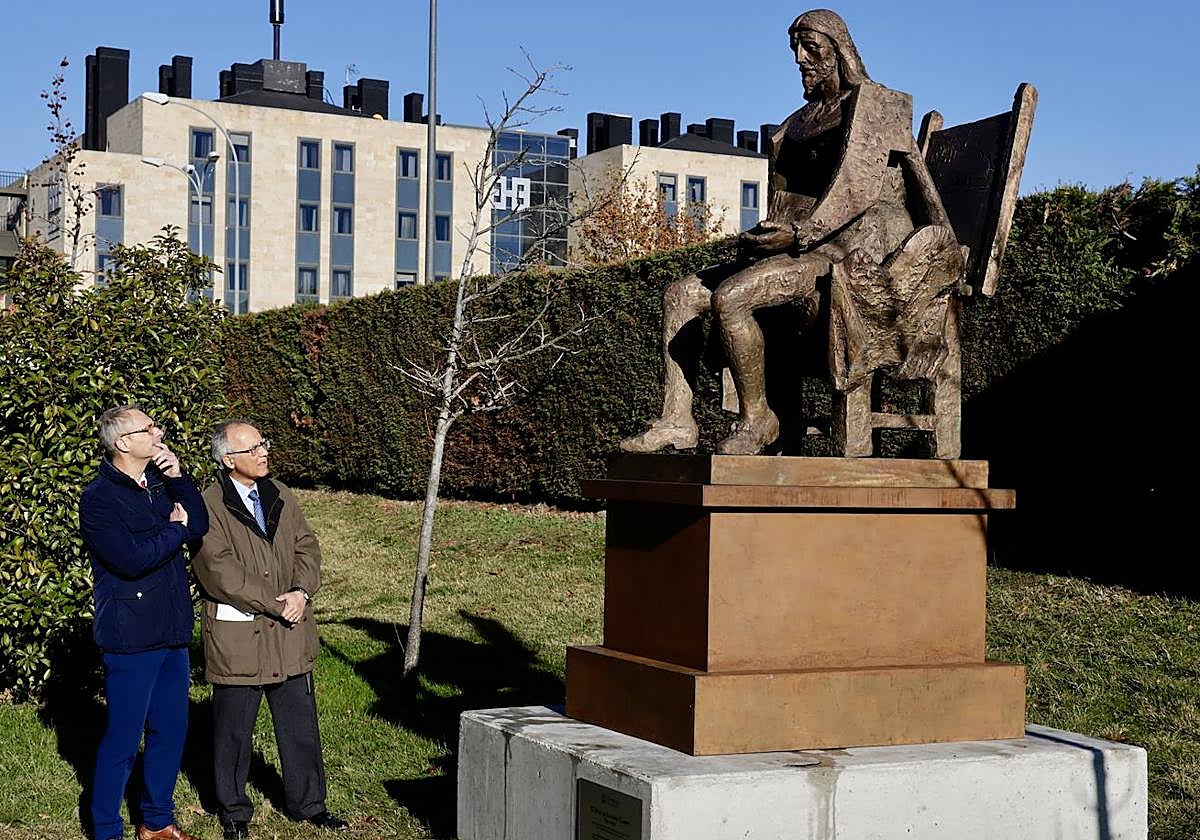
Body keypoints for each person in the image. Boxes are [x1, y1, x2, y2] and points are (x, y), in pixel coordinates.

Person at [621, 8, 956, 456]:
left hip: (855, 258)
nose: (800, 58)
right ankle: (677, 420)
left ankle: (758, 419)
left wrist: (797, 235)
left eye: (810, 48)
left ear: (840, 52)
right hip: (807, 246)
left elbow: (853, 190)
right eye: (795, 49)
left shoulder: (878, 103)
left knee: (733, 297)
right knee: (680, 295)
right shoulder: (800, 120)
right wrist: (765, 237)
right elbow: (786, 196)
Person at [191, 419, 348, 839]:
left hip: (290, 630)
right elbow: (218, 571)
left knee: (299, 725)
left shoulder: (279, 493)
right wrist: (278, 603)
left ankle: (309, 804)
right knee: (233, 732)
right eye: (253, 448)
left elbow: (306, 545)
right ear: (228, 460)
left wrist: (301, 591)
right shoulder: (208, 505)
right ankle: (233, 811)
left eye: (264, 444)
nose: (263, 452)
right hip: (241, 637)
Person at [79, 405, 209, 840]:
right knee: (123, 737)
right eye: (147, 429)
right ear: (122, 443)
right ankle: (105, 829)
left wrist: (177, 478)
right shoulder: (98, 497)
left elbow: (200, 524)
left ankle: (156, 821)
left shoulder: (159, 483)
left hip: (172, 628)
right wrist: (175, 531)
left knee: (170, 730)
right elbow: (131, 559)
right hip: (131, 634)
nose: (158, 433)